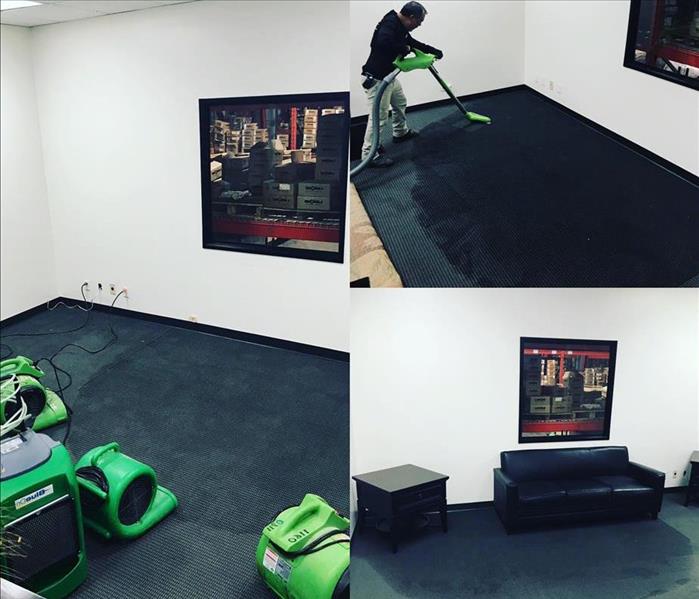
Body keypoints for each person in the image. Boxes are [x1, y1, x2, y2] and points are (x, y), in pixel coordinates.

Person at [361, 1, 443, 168]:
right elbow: (381, 42)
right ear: (411, 18)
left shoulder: (401, 28)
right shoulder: (390, 23)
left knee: (400, 102)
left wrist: (433, 50)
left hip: (388, 76)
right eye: (419, 22)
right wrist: (403, 48)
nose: (419, 25)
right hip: (377, 79)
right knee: (379, 117)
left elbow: (412, 43)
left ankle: (400, 132)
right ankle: (369, 155)